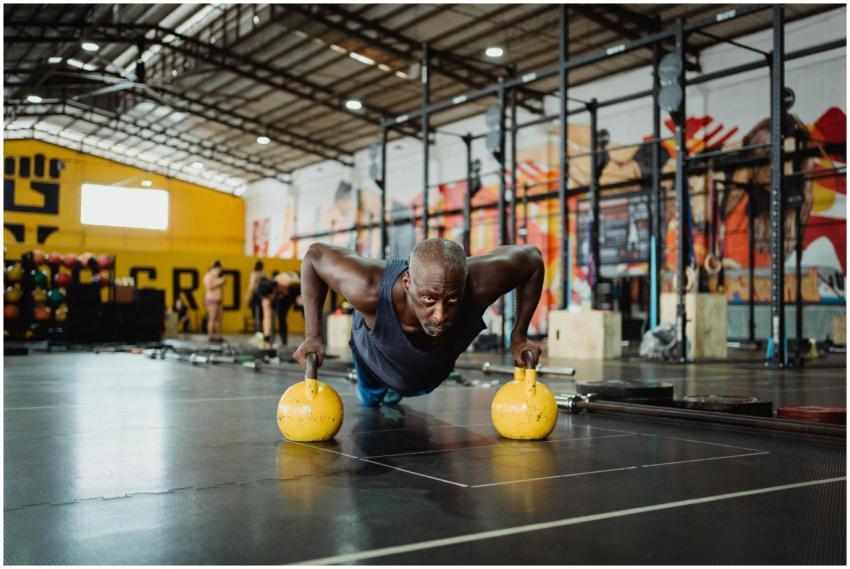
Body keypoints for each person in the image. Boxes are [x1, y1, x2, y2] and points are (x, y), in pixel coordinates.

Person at [293, 238, 543, 407]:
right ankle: (379, 391)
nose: (440, 315)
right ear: (407, 283)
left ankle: (397, 390)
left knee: (403, 390)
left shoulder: (479, 284)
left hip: (427, 377)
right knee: (371, 401)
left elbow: (532, 259)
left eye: (452, 299)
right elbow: (314, 256)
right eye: (428, 299)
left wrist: (518, 336)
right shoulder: (368, 287)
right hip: (374, 360)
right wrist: (313, 335)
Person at [257, 271, 301, 349]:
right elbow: (267, 318)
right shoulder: (266, 298)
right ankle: (284, 344)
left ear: (273, 291)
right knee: (281, 317)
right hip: (284, 295)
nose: (267, 300)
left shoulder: (284, 281)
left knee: (307, 312)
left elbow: (303, 281)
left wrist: (303, 296)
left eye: (268, 297)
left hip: (298, 287)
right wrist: (266, 340)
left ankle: (313, 339)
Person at [203, 260, 227, 342]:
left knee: (219, 319)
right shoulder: (208, 276)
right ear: (215, 268)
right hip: (211, 300)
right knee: (212, 319)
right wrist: (220, 282)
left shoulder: (218, 277)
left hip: (219, 300)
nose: (219, 271)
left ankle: (218, 336)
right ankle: (210, 336)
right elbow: (210, 287)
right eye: (219, 269)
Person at [245, 260, 265, 334]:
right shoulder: (263, 274)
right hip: (262, 297)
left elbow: (251, 286)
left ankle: (258, 333)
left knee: (256, 315)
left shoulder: (254, 274)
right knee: (262, 316)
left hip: (256, 297)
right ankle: (263, 332)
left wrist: (247, 297)